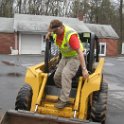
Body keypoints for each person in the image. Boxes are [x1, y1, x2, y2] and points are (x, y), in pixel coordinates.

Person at [46, 19, 89, 109]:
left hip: (75, 56)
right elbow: (50, 31)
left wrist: (84, 69)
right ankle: (67, 91)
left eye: (56, 31)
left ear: (61, 27)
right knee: (56, 77)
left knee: (66, 74)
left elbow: (80, 53)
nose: (55, 33)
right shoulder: (55, 32)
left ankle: (64, 100)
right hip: (65, 57)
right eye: (53, 31)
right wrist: (48, 34)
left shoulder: (70, 36)